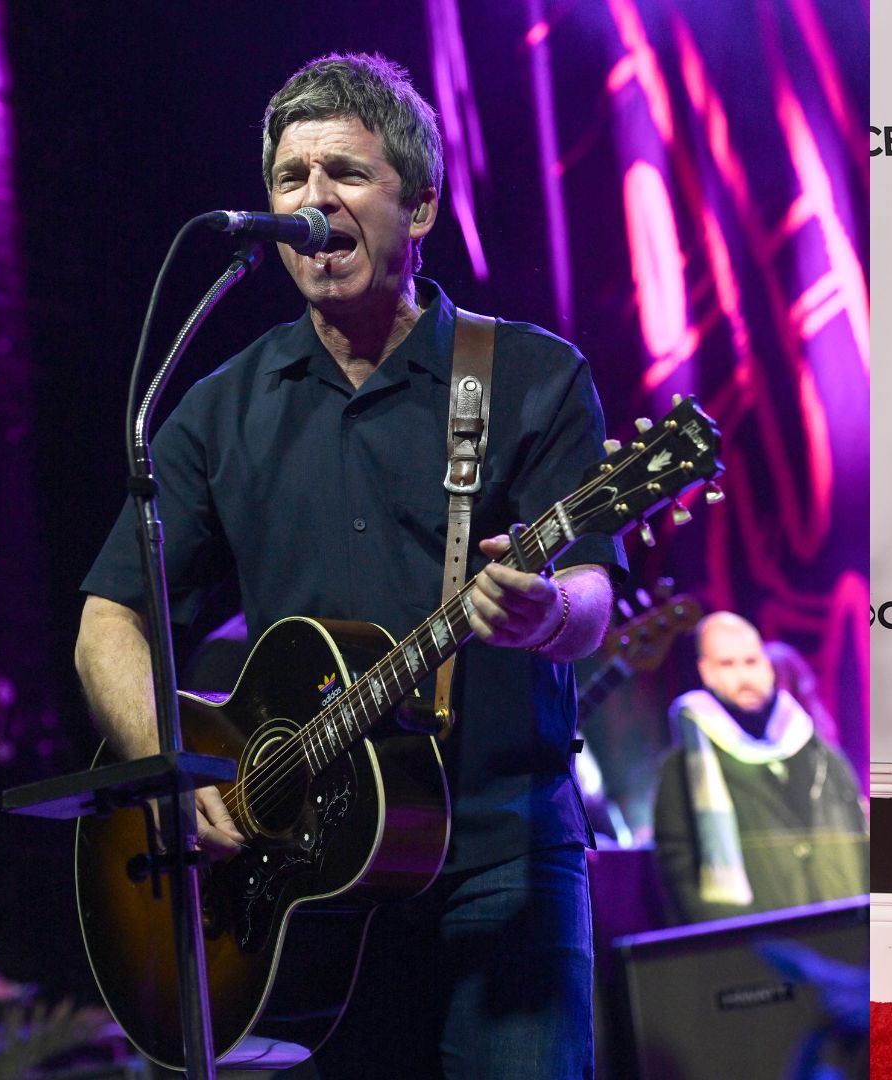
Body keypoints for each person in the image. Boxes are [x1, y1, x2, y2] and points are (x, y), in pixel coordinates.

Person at [74, 53, 625, 1079]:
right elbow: (109, 620)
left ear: (421, 207)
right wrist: (172, 766)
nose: (314, 200)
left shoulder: (529, 374)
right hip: (305, 883)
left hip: (500, 857)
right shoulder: (219, 409)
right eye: (292, 178)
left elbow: (593, 590)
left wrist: (546, 612)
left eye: (347, 173)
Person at [652, 614, 868, 925]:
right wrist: (736, 937)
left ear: (767, 667)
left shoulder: (819, 753)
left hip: (846, 934)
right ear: (706, 672)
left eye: (751, 661)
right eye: (727, 664)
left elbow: (862, 844)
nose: (744, 676)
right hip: (758, 942)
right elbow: (678, 868)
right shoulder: (685, 768)